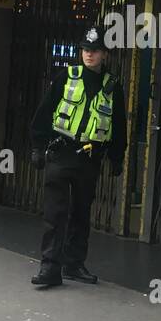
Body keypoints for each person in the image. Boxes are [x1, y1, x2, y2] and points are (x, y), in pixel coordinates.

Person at [27, 25, 127, 288]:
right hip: (61, 153)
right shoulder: (67, 76)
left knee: (81, 213)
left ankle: (73, 264)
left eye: (94, 51)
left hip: (89, 158)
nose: (88, 54)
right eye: (85, 49)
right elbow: (44, 111)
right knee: (55, 213)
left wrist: (117, 157)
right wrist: (38, 147)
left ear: (105, 54)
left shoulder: (113, 87)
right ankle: (50, 268)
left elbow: (118, 125)